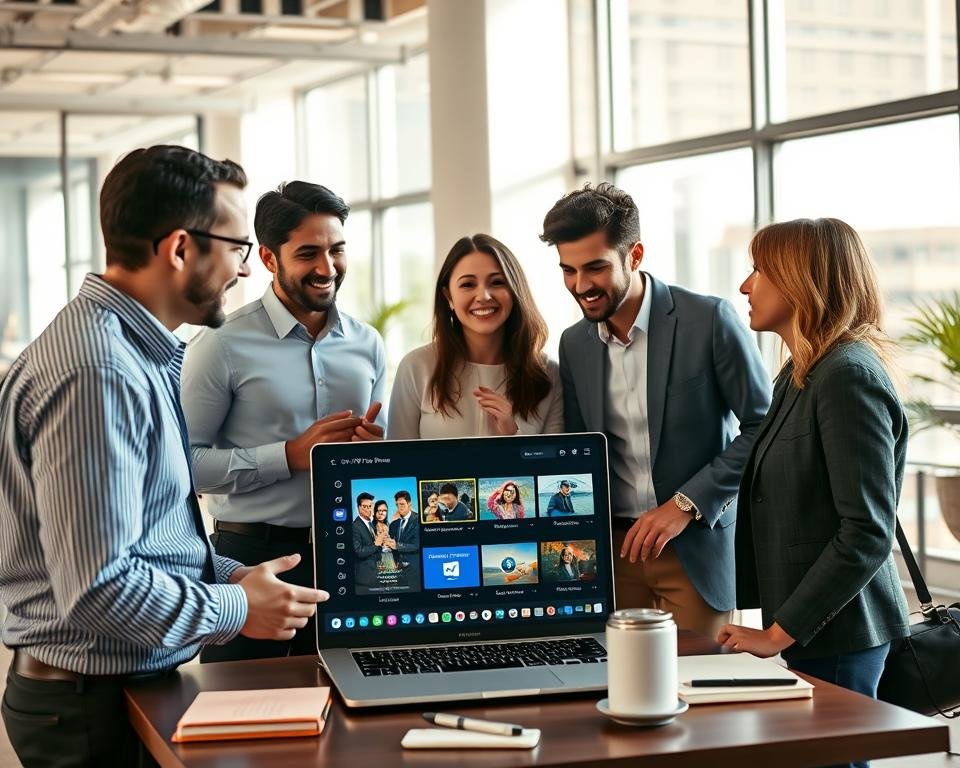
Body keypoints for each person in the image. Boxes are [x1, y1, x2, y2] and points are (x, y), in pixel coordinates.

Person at [0, 145, 327, 768]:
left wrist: (230, 574)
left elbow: (146, 538)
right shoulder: (99, 372)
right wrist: (238, 608)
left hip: (125, 686)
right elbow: (98, 587)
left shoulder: (138, 354)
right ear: (180, 249)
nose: (246, 271)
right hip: (87, 707)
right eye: (236, 249)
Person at [541, 182, 771, 640]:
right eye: (568, 270)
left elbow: (763, 426)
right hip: (611, 555)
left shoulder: (708, 320)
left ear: (635, 254)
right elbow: (581, 452)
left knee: (700, 693)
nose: (580, 285)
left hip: (694, 551)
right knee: (618, 691)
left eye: (595, 268)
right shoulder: (574, 344)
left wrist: (686, 504)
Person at [718, 218, 910, 735]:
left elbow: (867, 531)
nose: (745, 286)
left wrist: (777, 634)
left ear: (803, 279)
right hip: (817, 631)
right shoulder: (802, 371)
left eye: (759, 269)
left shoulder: (846, 375)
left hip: (841, 632)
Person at [181, 180, 386, 663]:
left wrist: (371, 454)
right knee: (244, 719)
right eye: (308, 253)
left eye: (336, 250)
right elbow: (182, 465)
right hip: (252, 561)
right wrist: (288, 457)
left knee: (352, 713)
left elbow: (381, 458)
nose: (326, 267)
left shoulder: (368, 343)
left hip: (350, 559)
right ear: (270, 259)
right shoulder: (221, 344)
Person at [388, 233, 563, 439]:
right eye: (468, 285)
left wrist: (512, 434)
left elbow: (557, 467)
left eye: (497, 282)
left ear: (515, 291)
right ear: (448, 297)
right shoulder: (416, 367)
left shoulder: (547, 374)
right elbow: (399, 465)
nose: (483, 296)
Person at [388, 491, 420, 578]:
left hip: (415, 569)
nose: (399, 507)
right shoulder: (393, 525)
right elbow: (391, 546)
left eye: (402, 504)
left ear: (409, 504)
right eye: (397, 505)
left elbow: (417, 545)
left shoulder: (419, 520)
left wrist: (397, 545)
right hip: (398, 569)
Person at [352, 493, 381, 588]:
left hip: (375, 574)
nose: (368, 509)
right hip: (364, 579)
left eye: (370, 506)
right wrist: (376, 545)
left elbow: (374, 544)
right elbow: (358, 552)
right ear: (358, 507)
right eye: (365, 506)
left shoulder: (370, 524)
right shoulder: (355, 526)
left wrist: (382, 542)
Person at [373, 501, 398, 572]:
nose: (381, 513)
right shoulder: (371, 526)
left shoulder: (388, 525)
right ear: (375, 511)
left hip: (390, 556)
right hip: (378, 558)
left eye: (384, 510)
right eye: (379, 510)